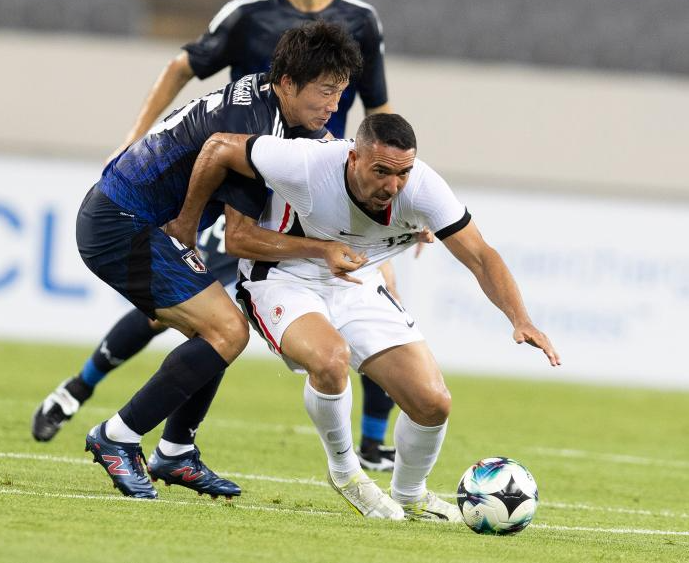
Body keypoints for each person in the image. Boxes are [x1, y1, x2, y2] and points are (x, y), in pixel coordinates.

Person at [33, 0, 400, 471]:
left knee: (339, 300)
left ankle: (362, 443)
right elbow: (211, 133)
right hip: (212, 195)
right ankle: (100, 411)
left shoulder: (359, 24)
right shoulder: (248, 24)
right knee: (212, 322)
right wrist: (145, 154)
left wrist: (389, 193)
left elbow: (377, 112)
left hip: (303, 182)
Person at [166, 113, 561, 520]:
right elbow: (220, 146)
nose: (393, 186)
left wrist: (520, 318)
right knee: (330, 358)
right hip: (283, 279)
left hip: (357, 284)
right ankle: (346, 472)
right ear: (353, 158)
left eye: (403, 173)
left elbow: (480, 255)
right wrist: (185, 227)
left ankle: (410, 495)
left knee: (432, 402)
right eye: (381, 172)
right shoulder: (308, 163)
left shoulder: (423, 188)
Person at [79, 21, 366, 500]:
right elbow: (240, 238)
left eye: (340, 92)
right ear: (289, 83)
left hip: (127, 216)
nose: (335, 106)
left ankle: (175, 451)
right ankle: (117, 436)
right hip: (120, 224)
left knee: (219, 329)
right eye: (326, 92)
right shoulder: (257, 128)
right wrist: (324, 250)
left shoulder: (269, 103)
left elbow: (331, 163)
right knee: (227, 331)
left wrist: (398, 213)